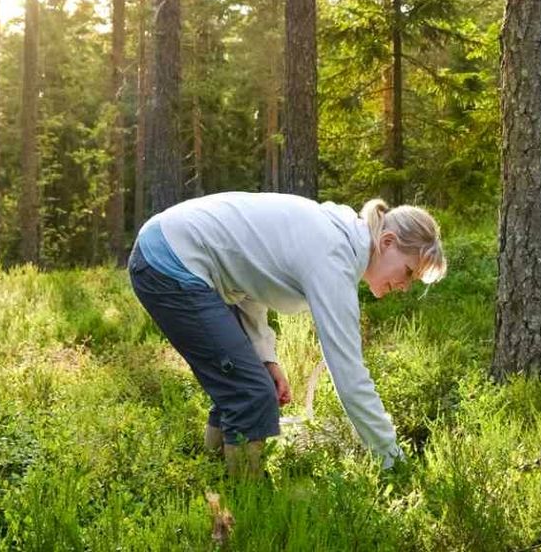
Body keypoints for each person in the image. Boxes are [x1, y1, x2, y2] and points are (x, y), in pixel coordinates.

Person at [127, 192, 446, 477]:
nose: (405, 286)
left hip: (170, 250)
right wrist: (393, 461)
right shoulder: (334, 256)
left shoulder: (337, 235)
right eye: (407, 271)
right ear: (387, 242)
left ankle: (212, 473)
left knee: (248, 383)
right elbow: (350, 379)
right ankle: (247, 503)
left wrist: (266, 359)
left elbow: (250, 282)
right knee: (250, 393)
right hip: (169, 262)